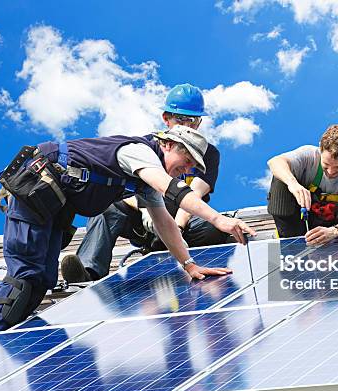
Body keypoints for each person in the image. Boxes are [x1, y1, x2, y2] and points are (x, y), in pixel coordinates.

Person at [0, 123, 255, 332]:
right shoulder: (138, 153)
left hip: (52, 206)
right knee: (26, 275)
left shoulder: (145, 181)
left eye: (190, 169)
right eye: (185, 162)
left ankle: (13, 341)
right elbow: (170, 188)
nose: (184, 171)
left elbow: (164, 222)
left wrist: (189, 265)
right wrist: (219, 220)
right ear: (167, 144)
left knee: (44, 278)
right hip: (35, 189)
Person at [61, 83, 226, 283]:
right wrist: (145, 210)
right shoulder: (148, 147)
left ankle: (195, 259)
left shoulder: (207, 154)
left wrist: (178, 226)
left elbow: (195, 194)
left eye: (192, 120)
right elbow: (127, 188)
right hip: (145, 218)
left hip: (183, 222)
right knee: (107, 209)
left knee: (214, 226)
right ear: (166, 119)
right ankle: (88, 273)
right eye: (180, 119)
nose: (187, 125)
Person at [266, 124, 338, 246]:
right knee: (281, 178)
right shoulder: (309, 155)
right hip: (298, 228)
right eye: (326, 164)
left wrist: (335, 231)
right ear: (320, 149)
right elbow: (275, 161)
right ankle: (291, 244)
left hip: (335, 233)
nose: (330, 172)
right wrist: (293, 184)